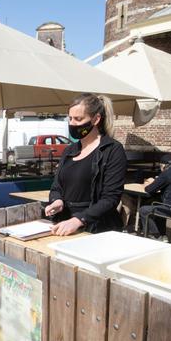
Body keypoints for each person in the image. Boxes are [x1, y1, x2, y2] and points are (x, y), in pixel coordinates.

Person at [45, 93, 127, 236]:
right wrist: (57, 200)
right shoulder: (69, 150)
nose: (72, 123)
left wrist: (79, 219)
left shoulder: (112, 150)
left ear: (96, 119)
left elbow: (111, 198)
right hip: (64, 224)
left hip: (97, 228)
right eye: (70, 118)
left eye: (78, 119)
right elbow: (57, 185)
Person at [138, 154, 171, 239]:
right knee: (159, 204)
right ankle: (163, 234)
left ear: (163, 165)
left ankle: (155, 235)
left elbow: (149, 189)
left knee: (143, 210)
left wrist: (149, 182)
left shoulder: (167, 173)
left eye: (160, 166)